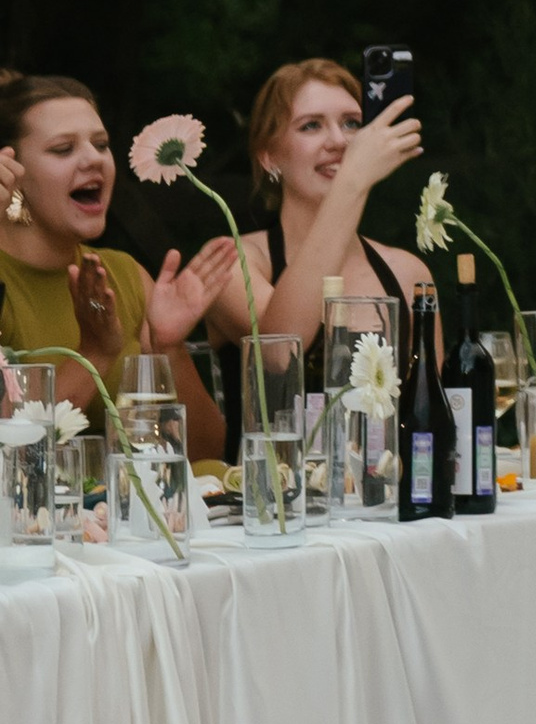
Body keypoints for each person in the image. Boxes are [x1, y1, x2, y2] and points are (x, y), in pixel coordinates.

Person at [0, 73, 235, 457]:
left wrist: (168, 349)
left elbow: (206, 455)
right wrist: (94, 353)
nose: (93, 158)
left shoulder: (122, 275)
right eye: (63, 149)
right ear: (13, 172)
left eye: (101, 144)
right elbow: (11, 455)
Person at [207, 59, 437, 350]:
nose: (339, 141)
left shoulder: (408, 273)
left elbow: (430, 394)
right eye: (311, 125)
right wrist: (351, 182)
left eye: (352, 123)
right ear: (269, 156)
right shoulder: (232, 263)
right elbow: (281, 354)